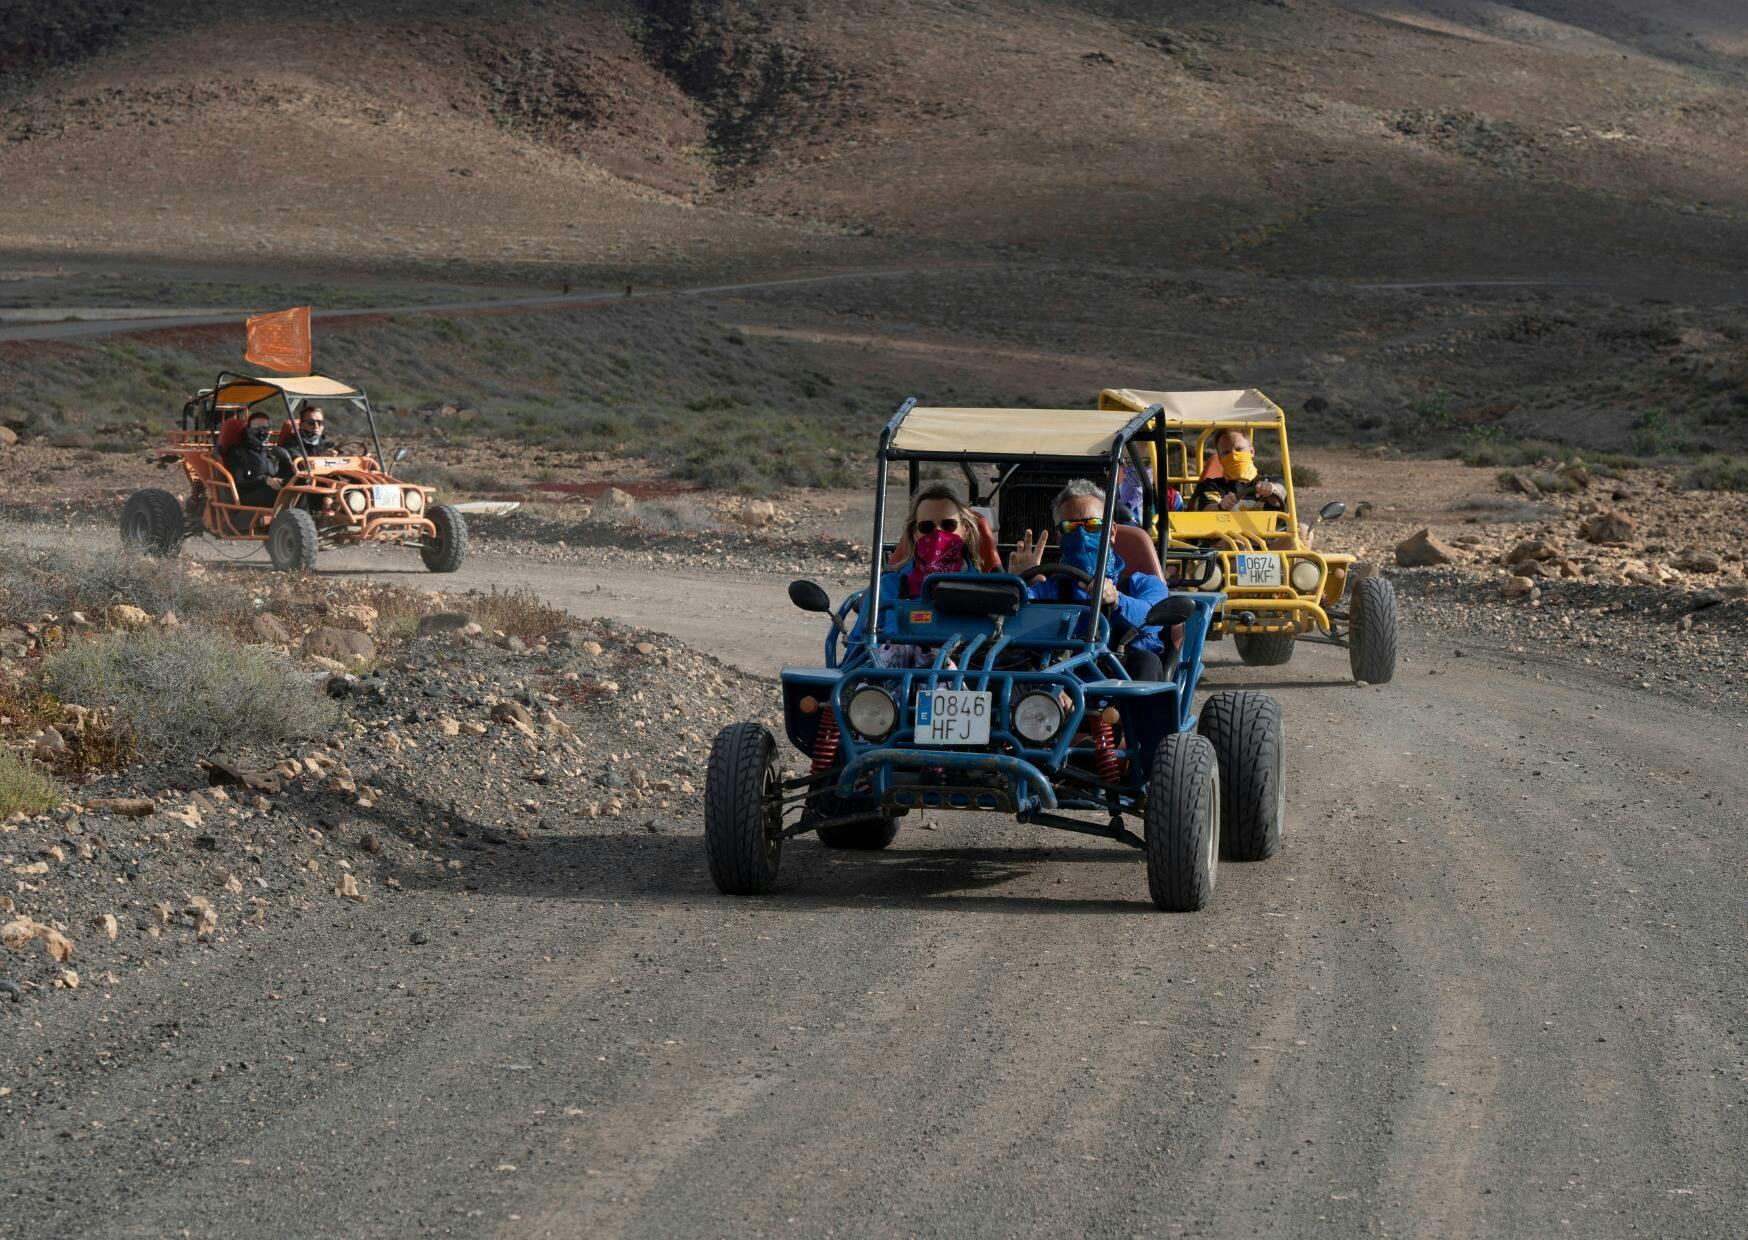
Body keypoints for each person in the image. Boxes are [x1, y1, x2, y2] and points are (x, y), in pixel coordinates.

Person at [1008, 479, 1174, 681]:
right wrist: (1018, 583)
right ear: (1059, 536)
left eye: (1093, 525)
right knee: (1012, 662)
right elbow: (1012, 615)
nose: (1081, 534)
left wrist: (1116, 600)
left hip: (1122, 683)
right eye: (1070, 527)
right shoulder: (1049, 587)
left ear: (1111, 532)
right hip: (1055, 689)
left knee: (1147, 661)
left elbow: (1153, 615)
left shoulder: (1142, 584)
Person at [855, 482, 992, 667]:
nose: (938, 534)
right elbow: (856, 651)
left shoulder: (987, 590)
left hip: (965, 681)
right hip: (893, 685)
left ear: (965, 531)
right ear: (914, 534)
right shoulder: (887, 588)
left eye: (948, 525)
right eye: (927, 527)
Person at [1193, 429, 1286, 512]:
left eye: (1238, 449)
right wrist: (1220, 506)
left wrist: (1272, 489)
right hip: (1226, 531)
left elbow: (1281, 490)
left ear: (1251, 451)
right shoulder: (1211, 485)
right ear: (1220, 459)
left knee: (1300, 528)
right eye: (1226, 453)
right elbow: (1205, 509)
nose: (1233, 456)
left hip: (1267, 531)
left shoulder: (1273, 480)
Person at [225, 410, 293, 509]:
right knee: (283, 494)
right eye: (256, 429)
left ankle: (317, 518)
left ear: (270, 430)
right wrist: (265, 481)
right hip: (248, 495)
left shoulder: (272, 452)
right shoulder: (238, 453)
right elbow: (238, 486)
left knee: (302, 486)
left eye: (265, 429)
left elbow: (287, 474)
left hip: (274, 490)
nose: (261, 432)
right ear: (248, 431)